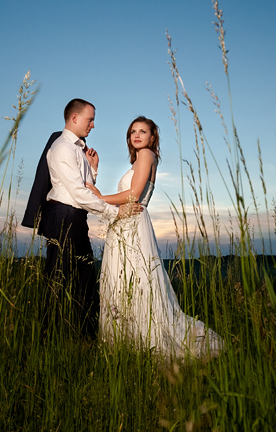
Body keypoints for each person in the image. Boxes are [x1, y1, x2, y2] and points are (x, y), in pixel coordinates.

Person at [87, 116, 223, 359]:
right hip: (127, 224)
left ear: (152, 137)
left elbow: (134, 193)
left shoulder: (146, 155)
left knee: (135, 281)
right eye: (132, 132)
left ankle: (139, 341)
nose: (137, 135)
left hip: (133, 224)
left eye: (143, 131)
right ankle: (128, 342)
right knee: (126, 281)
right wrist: (94, 170)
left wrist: (98, 196)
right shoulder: (143, 159)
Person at [35, 99, 141, 338]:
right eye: (89, 119)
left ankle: (84, 337)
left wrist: (93, 169)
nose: (93, 125)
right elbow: (78, 194)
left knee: (84, 278)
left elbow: (86, 188)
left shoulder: (78, 149)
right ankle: (48, 338)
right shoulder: (62, 147)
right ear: (74, 118)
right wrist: (114, 212)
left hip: (75, 217)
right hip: (63, 215)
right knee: (58, 278)